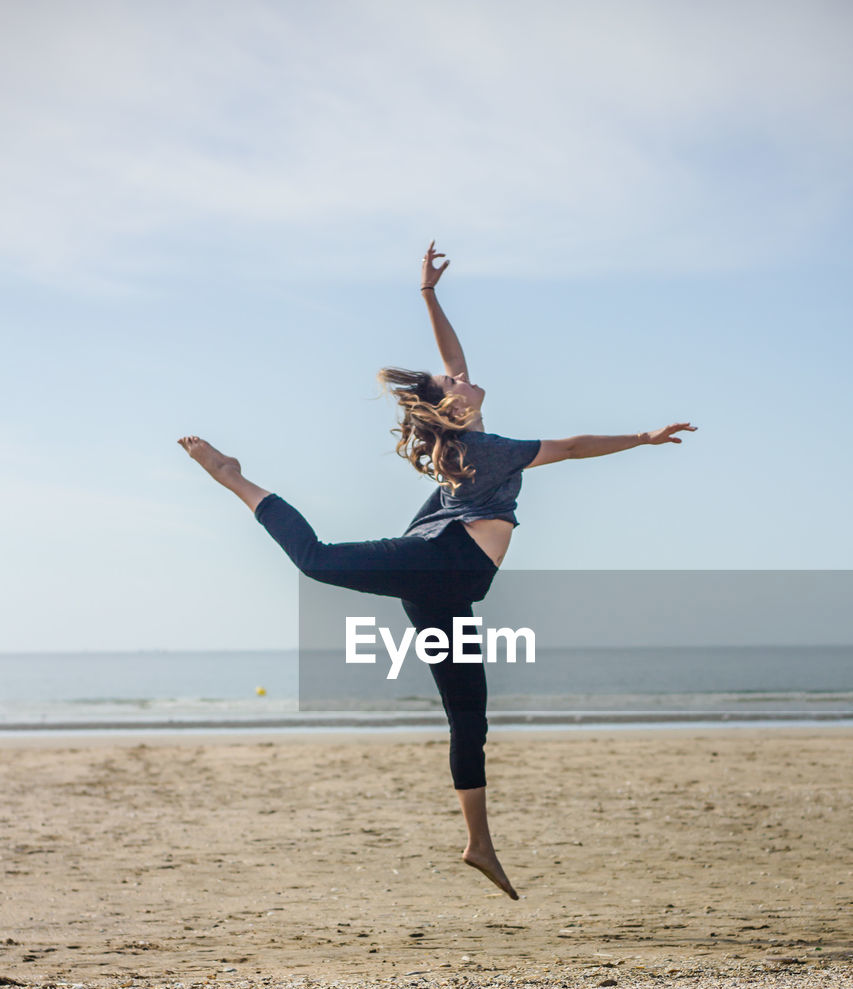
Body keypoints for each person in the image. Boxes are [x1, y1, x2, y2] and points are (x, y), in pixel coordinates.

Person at [179, 241, 695, 900]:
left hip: (450, 587)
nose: (459, 375)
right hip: (438, 563)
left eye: (454, 378)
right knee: (315, 562)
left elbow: (454, 361)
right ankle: (234, 478)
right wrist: (643, 439)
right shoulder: (487, 446)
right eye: (453, 383)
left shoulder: (468, 432)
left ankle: (478, 844)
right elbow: (569, 447)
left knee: (469, 715)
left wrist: (428, 293)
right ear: (453, 407)